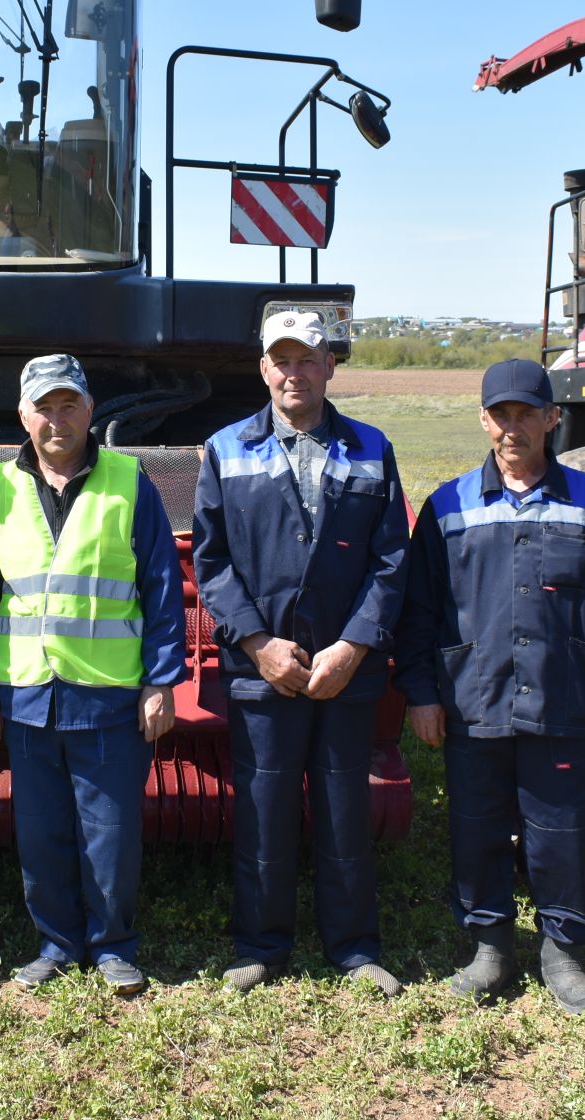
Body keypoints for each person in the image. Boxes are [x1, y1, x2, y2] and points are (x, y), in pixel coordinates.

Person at [395, 357, 585, 1014]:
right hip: (472, 700)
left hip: (565, 699)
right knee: (476, 828)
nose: (513, 428)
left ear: (552, 419)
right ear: (485, 421)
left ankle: (563, 952)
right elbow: (419, 611)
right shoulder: (448, 506)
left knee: (563, 831)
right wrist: (422, 693)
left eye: (526, 414)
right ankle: (490, 945)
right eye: (500, 415)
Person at [191, 310, 410, 996]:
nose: (293, 372)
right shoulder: (226, 449)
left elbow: (391, 557)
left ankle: (353, 948)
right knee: (264, 810)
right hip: (265, 672)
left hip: (348, 670)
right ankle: (261, 944)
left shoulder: (373, 448)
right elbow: (212, 560)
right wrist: (257, 644)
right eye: (280, 360)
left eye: (307, 359)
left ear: (330, 366)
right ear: (263, 369)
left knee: (345, 810)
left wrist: (354, 645)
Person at [0, 355, 186, 995]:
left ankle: (113, 947)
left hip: (108, 695)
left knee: (110, 834)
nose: (56, 419)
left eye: (69, 406)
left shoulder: (131, 483)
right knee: (41, 833)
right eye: (43, 407)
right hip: (27, 695)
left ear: (90, 411)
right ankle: (56, 944)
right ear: (23, 415)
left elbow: (161, 589)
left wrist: (161, 681)